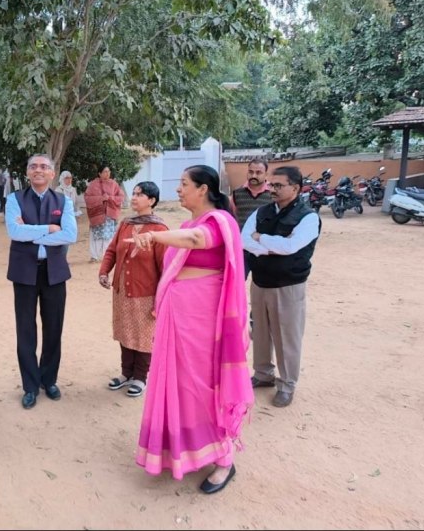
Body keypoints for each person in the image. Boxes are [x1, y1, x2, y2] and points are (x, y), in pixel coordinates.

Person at [129, 164, 252, 495]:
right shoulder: (187, 224)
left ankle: (224, 459)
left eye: (184, 184)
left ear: (203, 189)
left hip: (203, 322)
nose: (178, 189)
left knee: (203, 386)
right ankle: (183, 452)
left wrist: (153, 235)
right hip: (177, 317)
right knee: (179, 384)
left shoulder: (219, 222)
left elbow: (198, 241)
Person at [241, 165, 321, 408]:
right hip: (260, 282)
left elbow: (290, 247)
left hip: (288, 286)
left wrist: (261, 239)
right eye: (271, 184)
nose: (272, 189)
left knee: (287, 336)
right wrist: (271, 247)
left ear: (295, 188)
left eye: (278, 185)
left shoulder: (308, 217)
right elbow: (245, 239)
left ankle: (287, 384)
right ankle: (263, 374)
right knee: (260, 332)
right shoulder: (262, 212)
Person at [5, 154, 78, 409]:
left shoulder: (63, 201)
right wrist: (49, 228)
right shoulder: (14, 199)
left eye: (44, 167)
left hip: (54, 272)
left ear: (52, 173)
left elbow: (70, 235)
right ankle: (30, 385)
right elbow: (14, 231)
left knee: (53, 328)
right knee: (25, 330)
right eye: (33, 166)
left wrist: (31, 234)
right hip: (24, 272)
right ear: (27, 172)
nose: (38, 170)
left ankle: (49, 379)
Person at [98, 181, 167, 398]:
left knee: (144, 335)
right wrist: (104, 272)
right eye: (134, 193)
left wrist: (160, 298)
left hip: (145, 293)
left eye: (140, 194)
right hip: (122, 292)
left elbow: (165, 267)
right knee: (125, 332)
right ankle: (126, 373)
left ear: (152, 200)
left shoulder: (160, 230)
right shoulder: (126, 224)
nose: (134, 197)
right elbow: (112, 250)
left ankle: (140, 377)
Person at [231, 157, 273, 279]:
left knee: (265, 284)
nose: (253, 175)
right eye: (251, 172)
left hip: (265, 248)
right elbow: (232, 218)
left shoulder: (273, 194)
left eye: (258, 172)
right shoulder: (237, 193)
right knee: (237, 281)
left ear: (266, 174)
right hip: (242, 248)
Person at [83, 164, 124, 262]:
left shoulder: (114, 184)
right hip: (97, 215)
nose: (107, 173)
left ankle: (107, 256)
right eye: (105, 171)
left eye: (109, 171)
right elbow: (87, 198)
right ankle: (94, 256)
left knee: (108, 236)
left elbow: (121, 197)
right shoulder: (93, 185)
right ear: (99, 173)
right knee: (95, 236)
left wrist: (110, 198)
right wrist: (101, 198)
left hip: (109, 215)